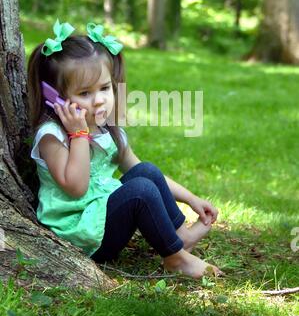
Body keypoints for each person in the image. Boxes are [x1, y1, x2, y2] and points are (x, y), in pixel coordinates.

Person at [27, 19, 222, 279]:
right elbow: (76, 187)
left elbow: (140, 168)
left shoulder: (105, 128)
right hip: (80, 233)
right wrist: (79, 134)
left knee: (146, 172)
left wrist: (191, 199)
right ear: (55, 97)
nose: (99, 100)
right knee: (139, 191)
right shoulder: (51, 136)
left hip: (101, 215)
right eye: (84, 93)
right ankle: (175, 259)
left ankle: (178, 237)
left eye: (105, 88)